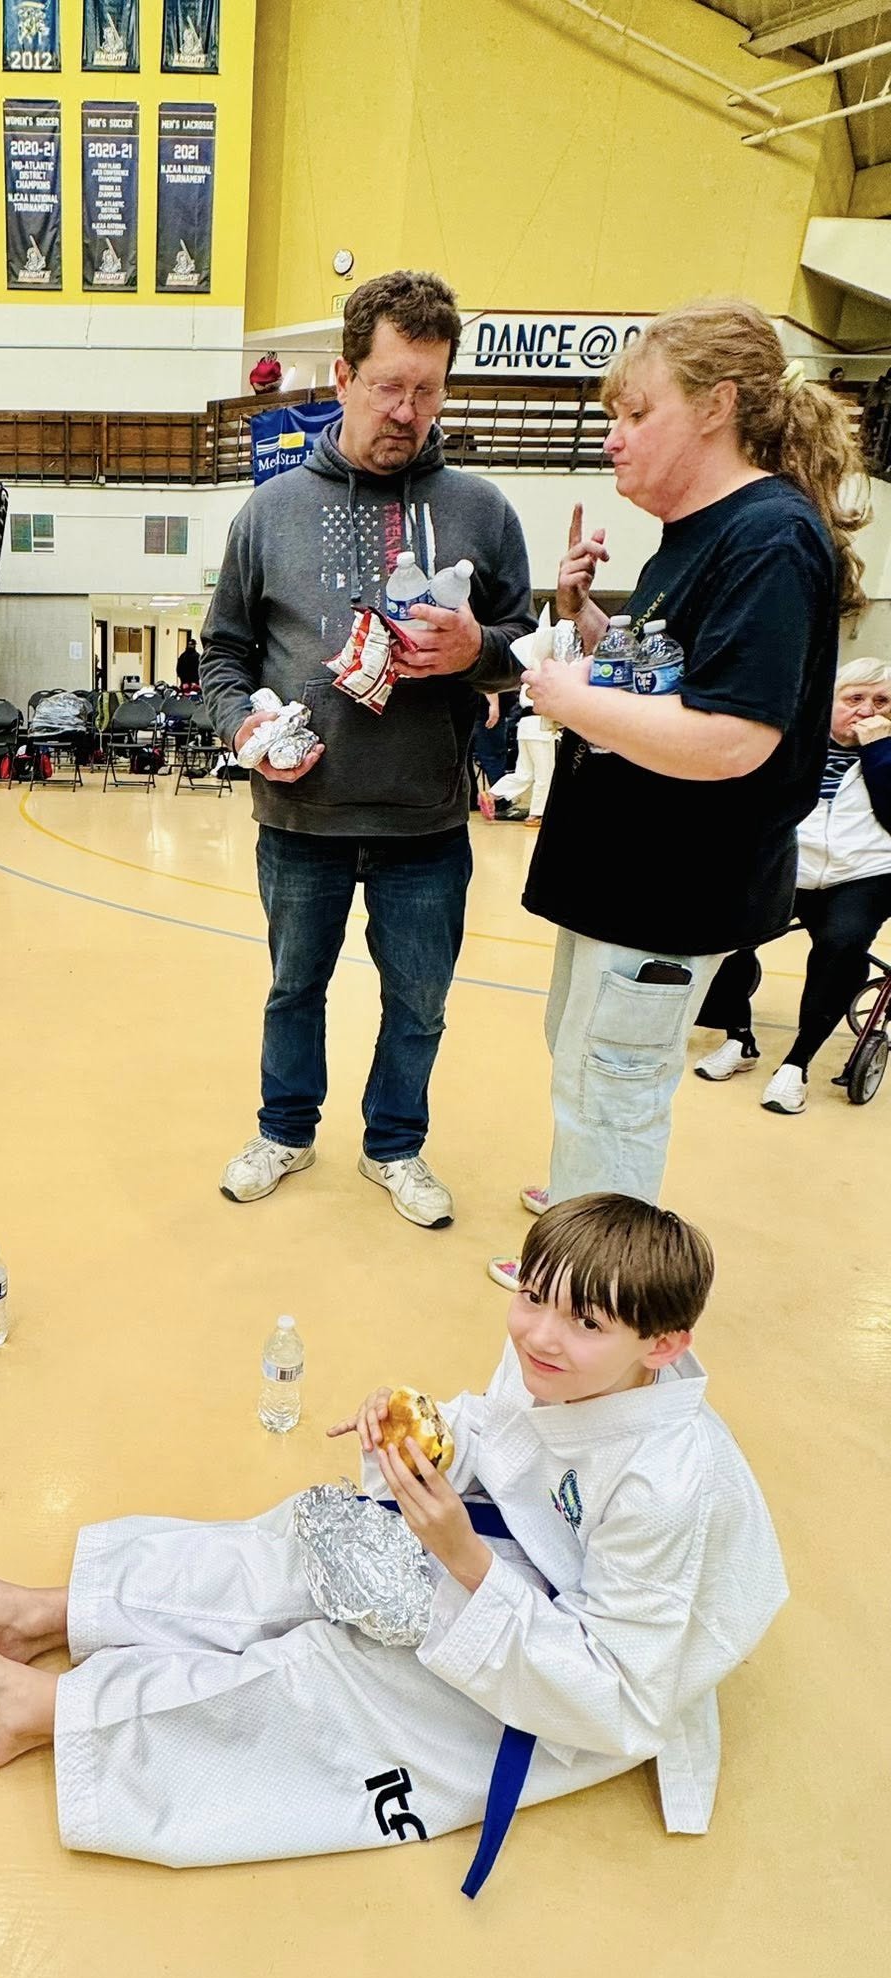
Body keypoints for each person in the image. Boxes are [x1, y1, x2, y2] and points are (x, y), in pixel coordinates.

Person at [0, 1194, 785, 1883]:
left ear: (663, 1346)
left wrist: (463, 1558)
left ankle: (30, 1713)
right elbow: (502, 1439)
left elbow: (618, 1691)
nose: (539, 1336)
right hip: (538, 1572)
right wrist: (429, 1434)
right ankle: (50, 1615)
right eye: (532, 1297)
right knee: (310, 1541)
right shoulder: (564, 1363)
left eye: (585, 1323)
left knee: (344, 1680)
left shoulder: (671, 1487)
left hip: (598, 1673)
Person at [493, 304, 863, 1284]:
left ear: (716, 407)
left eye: (636, 411)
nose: (613, 434)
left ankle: (591, 1286)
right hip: (618, 877)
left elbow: (737, 734)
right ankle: (585, 1196)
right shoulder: (686, 541)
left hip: (670, 886)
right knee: (581, 1060)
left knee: (616, 1085)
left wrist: (570, 698)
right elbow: (669, 680)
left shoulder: (769, 539)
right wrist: (585, 618)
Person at [201, 270, 535, 1227]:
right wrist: (245, 730)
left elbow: (526, 645)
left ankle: (394, 1146)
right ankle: (285, 1130)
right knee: (292, 988)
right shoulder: (269, 512)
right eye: (389, 385)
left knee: (420, 1003)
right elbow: (220, 654)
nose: (408, 411)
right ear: (343, 376)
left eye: (428, 389)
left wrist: (480, 652)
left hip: (426, 819)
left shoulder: (482, 509)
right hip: (299, 815)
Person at [692, 657, 891, 1113]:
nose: (866, 710)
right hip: (789, 866)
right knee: (726, 933)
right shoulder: (796, 742)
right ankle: (738, 1039)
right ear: (830, 701)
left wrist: (880, 752)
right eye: (854, 698)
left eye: (880, 701)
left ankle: (796, 1064)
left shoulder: (890, 751)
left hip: (862, 875)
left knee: (843, 944)